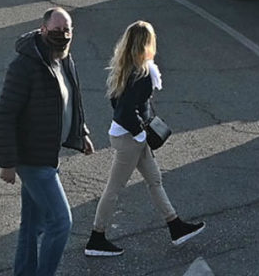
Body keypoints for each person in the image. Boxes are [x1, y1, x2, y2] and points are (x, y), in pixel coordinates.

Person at [0, 6, 93, 276]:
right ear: (42, 29)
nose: (62, 37)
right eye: (56, 31)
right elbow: (5, 116)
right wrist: (7, 163)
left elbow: (71, 100)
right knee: (61, 222)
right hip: (32, 159)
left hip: (48, 154)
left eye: (66, 31)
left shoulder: (64, 59)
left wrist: (81, 133)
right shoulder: (24, 66)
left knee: (32, 227)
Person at [84, 19, 203, 258]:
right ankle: (96, 238)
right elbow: (125, 111)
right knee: (114, 188)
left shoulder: (127, 68)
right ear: (147, 44)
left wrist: (140, 132)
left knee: (155, 180)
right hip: (130, 139)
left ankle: (175, 226)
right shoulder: (142, 74)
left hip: (128, 136)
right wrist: (141, 133)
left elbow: (116, 103)